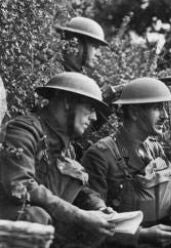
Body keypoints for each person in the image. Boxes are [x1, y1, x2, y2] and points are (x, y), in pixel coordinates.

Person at [82, 77, 171, 247]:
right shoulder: (101, 154)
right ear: (134, 112)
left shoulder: (154, 149)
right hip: (128, 241)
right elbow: (93, 220)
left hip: (160, 234)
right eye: (157, 108)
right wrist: (141, 235)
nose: (164, 115)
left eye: (164, 108)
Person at [0, 72, 116, 246]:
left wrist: (98, 208)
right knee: (35, 217)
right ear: (68, 102)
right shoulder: (23, 132)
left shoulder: (66, 147)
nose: (94, 118)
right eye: (90, 108)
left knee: (95, 229)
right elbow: (20, 187)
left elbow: (78, 191)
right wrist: (79, 215)